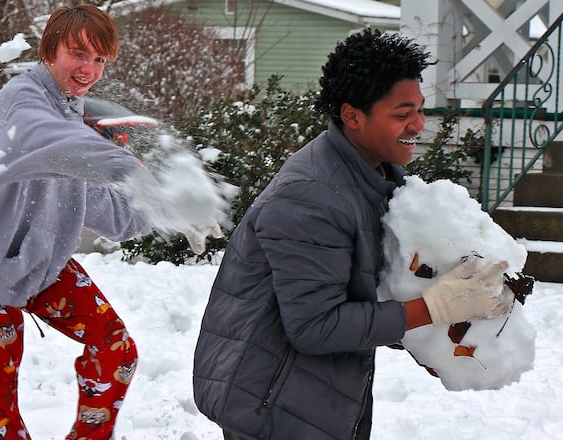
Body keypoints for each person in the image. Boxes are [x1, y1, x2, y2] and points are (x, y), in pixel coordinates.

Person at [192, 28, 514, 440]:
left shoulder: (372, 178)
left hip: (317, 394)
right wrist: (434, 308)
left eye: (419, 109)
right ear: (352, 116)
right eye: (402, 114)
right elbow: (315, 326)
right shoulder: (309, 199)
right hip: (270, 401)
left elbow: (362, 291)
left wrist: (432, 338)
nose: (418, 124)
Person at [0, 6, 218, 439]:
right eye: (78, 54)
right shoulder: (21, 102)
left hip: (40, 262)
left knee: (115, 351)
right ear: (50, 50)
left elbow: (106, 210)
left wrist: (166, 211)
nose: (89, 69)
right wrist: (137, 174)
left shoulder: (71, 113)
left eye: (100, 60)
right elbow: (55, 142)